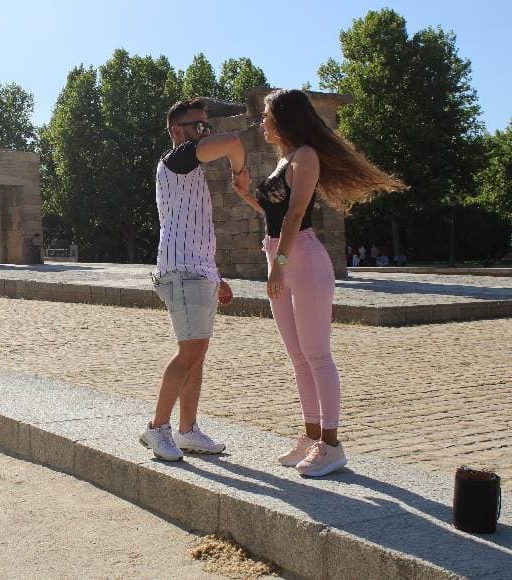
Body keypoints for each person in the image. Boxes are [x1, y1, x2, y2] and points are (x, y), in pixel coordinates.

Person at [231, 89, 404, 477]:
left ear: (284, 118)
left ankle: (332, 444)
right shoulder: (285, 159)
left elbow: (295, 215)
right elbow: (276, 213)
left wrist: (280, 265)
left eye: (266, 115)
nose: (262, 122)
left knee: (318, 355)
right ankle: (311, 437)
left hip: (303, 260)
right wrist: (248, 198)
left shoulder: (306, 155)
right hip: (281, 257)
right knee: (298, 357)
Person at [139, 98, 249, 461]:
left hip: (196, 270)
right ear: (177, 131)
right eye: (198, 126)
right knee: (189, 353)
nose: (206, 132)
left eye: (206, 126)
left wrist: (216, 277)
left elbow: (197, 230)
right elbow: (233, 142)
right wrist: (240, 173)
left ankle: (187, 430)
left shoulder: (188, 168)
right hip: (182, 271)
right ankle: (157, 428)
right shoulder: (176, 159)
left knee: (196, 355)